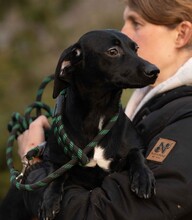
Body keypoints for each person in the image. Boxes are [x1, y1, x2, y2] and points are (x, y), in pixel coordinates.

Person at [1, 0, 192, 219]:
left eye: (136, 23)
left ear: (181, 34)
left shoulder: (185, 120)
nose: (124, 31)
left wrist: (33, 164)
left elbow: (100, 213)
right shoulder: (147, 108)